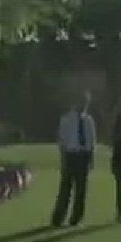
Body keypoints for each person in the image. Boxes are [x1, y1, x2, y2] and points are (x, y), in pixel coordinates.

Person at [51, 95, 99, 228]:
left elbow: (92, 141)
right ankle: (58, 218)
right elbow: (62, 140)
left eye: (86, 103)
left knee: (81, 189)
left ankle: (76, 218)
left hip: (83, 156)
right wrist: (63, 158)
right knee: (65, 188)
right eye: (82, 102)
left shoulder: (89, 120)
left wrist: (91, 158)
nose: (84, 105)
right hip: (71, 155)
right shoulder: (66, 119)